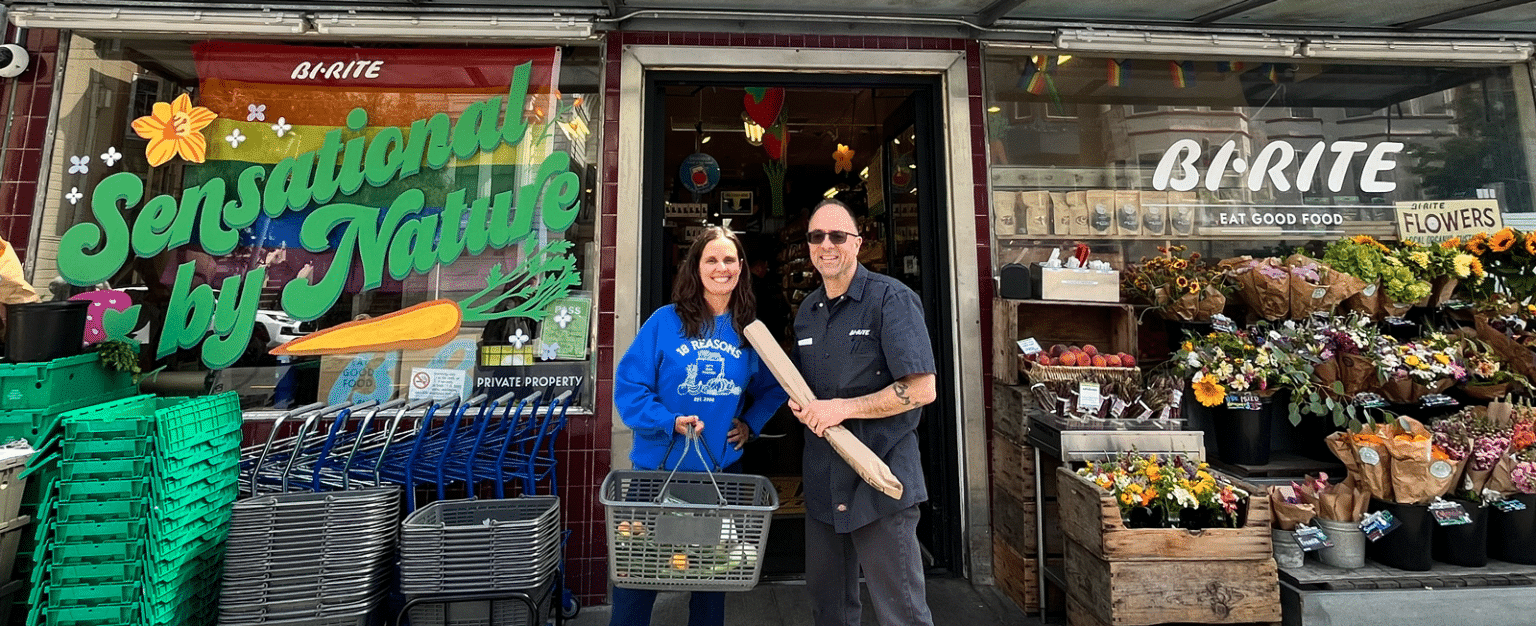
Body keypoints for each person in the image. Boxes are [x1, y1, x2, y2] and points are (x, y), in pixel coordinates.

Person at [611, 225, 789, 626]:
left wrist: (750, 423)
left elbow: (776, 386)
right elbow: (630, 388)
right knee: (638, 578)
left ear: (740, 268)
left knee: (710, 581)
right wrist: (668, 421)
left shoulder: (750, 331)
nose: (721, 267)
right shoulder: (664, 322)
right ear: (696, 267)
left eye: (729, 260)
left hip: (718, 477)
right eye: (711, 259)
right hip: (656, 474)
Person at [788, 199, 938, 626]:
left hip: (880, 481)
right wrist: (800, 403)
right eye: (817, 236)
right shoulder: (807, 312)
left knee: (902, 613)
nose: (826, 244)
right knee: (829, 611)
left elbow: (922, 389)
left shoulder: (891, 299)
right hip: (823, 483)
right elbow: (806, 388)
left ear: (857, 242)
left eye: (838, 235)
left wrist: (843, 408)